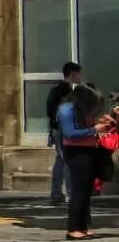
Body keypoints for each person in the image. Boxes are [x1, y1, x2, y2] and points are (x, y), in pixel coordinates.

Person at [57, 83, 104, 241]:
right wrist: (95, 130)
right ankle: (73, 229)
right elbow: (70, 134)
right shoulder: (66, 110)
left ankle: (83, 226)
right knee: (78, 191)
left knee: (86, 191)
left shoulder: (80, 110)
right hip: (76, 153)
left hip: (88, 151)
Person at [44, 61, 83, 205]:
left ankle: (56, 194)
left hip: (56, 129)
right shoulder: (66, 89)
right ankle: (70, 195)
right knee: (68, 160)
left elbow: (50, 111)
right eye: (79, 74)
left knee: (60, 160)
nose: (80, 77)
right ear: (73, 74)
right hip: (63, 129)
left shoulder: (56, 88)